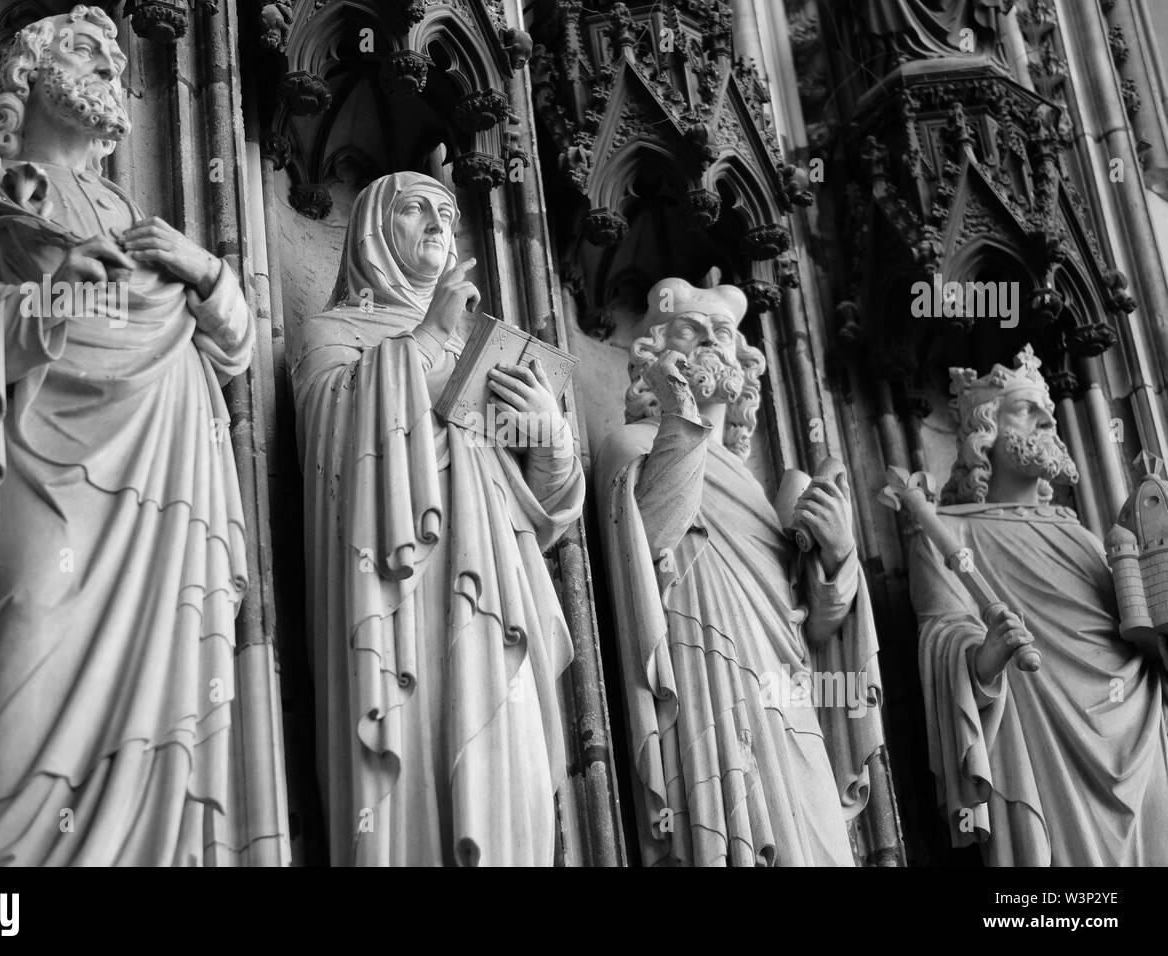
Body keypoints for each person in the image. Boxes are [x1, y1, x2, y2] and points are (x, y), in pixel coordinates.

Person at [0, 6, 282, 865]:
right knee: (34, 608)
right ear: (29, 73)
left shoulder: (142, 220)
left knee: (174, 675)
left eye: (118, 62)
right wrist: (51, 297)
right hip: (44, 461)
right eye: (85, 51)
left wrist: (209, 272)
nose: (110, 68)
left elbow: (235, 353)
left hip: (168, 460)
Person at [292, 171, 584, 865]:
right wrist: (423, 340)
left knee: (512, 759)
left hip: (500, 588)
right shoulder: (333, 332)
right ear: (371, 230)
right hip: (399, 597)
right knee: (422, 752)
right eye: (416, 208)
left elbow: (545, 511)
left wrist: (550, 437)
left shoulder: (482, 352)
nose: (437, 225)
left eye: (448, 214)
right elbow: (333, 442)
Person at [596, 278, 884, 866]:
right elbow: (645, 541)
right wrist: (681, 418)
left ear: (743, 367)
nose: (708, 339)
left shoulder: (756, 488)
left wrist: (835, 557)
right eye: (689, 329)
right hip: (704, 675)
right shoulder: (631, 442)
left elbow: (810, 632)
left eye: (722, 333)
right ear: (655, 354)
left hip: (785, 693)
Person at [910, 345, 1168, 865]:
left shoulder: (1090, 539)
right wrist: (984, 660)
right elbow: (941, 636)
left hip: (1138, 743)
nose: (1050, 419)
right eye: (1028, 409)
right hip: (1040, 742)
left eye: (1049, 409)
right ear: (985, 432)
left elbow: (1143, 632)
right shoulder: (946, 533)